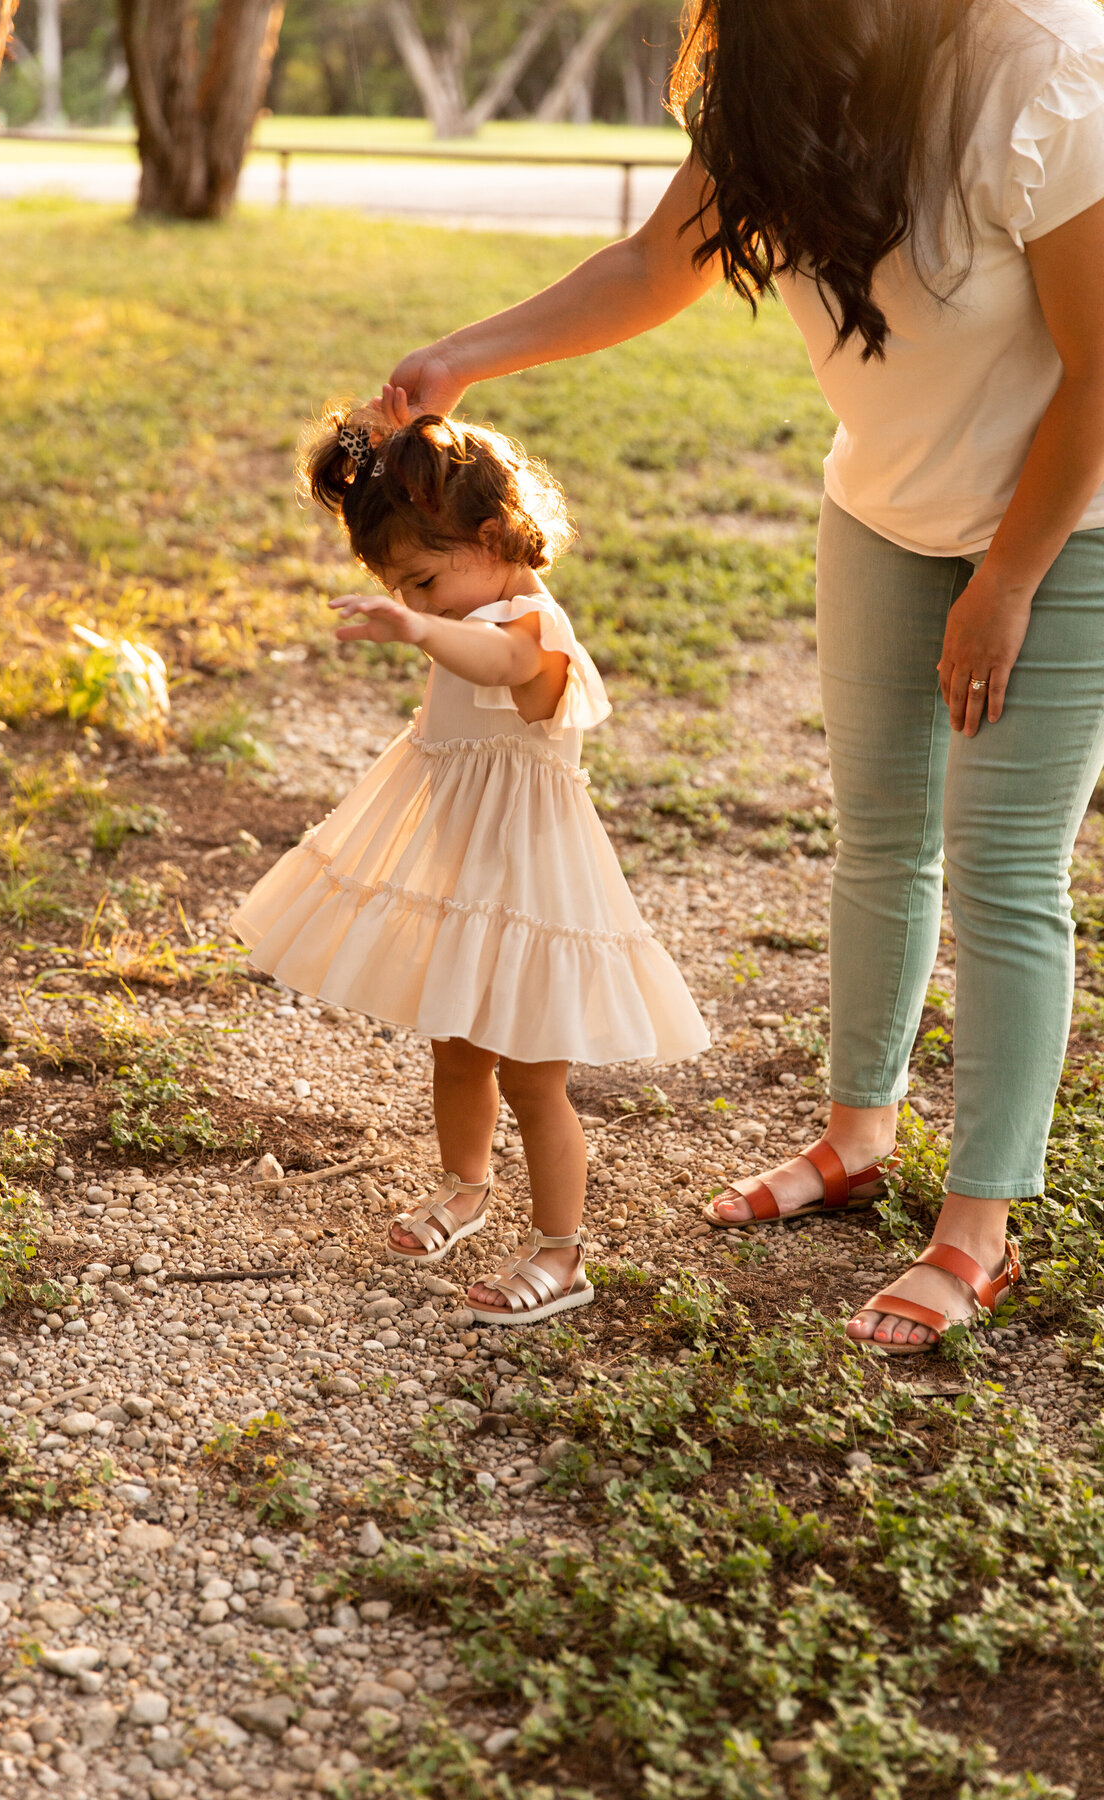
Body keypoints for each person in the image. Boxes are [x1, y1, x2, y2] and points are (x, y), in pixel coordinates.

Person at [385, 0, 1104, 1355]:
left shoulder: (1048, 75)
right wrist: (464, 357)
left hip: (1072, 524)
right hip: (885, 507)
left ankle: (978, 1229)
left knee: (1004, 869)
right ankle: (856, 1138)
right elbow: (658, 264)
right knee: (880, 836)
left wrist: (1008, 583)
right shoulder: (783, 68)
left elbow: (1101, 368)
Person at [231, 398, 710, 1326]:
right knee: (456, 1047)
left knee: (534, 1078)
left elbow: (494, 665)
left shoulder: (534, 631)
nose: (414, 603)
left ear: (493, 538)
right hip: (467, 878)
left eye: (421, 580)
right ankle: (465, 1185)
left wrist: (417, 630)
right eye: (402, 592)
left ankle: (563, 1253)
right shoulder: (471, 601)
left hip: (532, 888)